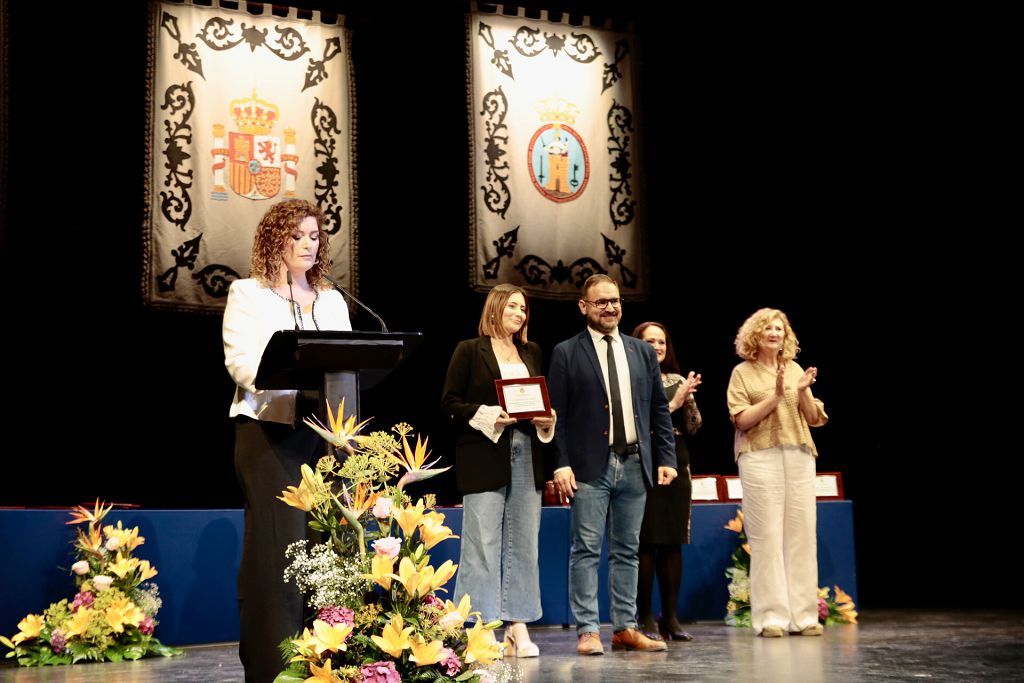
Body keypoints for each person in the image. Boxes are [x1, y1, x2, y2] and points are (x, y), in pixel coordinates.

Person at [222, 199, 352, 681]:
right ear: (274, 239)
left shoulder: (333, 299)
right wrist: (291, 371)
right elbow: (241, 364)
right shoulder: (248, 293)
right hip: (267, 432)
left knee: (327, 545)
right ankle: (274, 664)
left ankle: (326, 659)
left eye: (315, 237)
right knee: (280, 548)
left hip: (327, 433)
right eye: (297, 235)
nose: (307, 245)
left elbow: (349, 363)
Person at [548, 274, 677, 655]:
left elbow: (657, 409)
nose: (610, 307)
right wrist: (561, 464)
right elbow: (557, 414)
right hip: (589, 467)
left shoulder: (639, 351)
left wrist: (666, 457)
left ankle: (624, 627)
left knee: (627, 550)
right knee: (586, 549)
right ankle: (588, 630)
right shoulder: (566, 352)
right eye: (601, 301)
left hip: (636, 464)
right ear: (583, 306)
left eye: (615, 301)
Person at [441, 284, 555, 657]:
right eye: (513, 307)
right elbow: (450, 404)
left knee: (524, 543)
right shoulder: (470, 350)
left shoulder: (532, 351)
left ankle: (518, 626)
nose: (520, 314)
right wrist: (490, 415)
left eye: (524, 309)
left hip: (527, 452)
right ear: (495, 309)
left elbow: (541, 400)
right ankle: (481, 628)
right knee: (481, 543)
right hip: (486, 451)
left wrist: (546, 418)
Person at [726, 308, 828, 638]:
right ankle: (771, 617)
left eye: (779, 328)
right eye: (767, 327)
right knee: (766, 537)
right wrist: (776, 397)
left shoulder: (795, 368)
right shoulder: (742, 373)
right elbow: (741, 420)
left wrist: (800, 391)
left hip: (798, 453)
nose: (774, 332)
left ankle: (804, 616)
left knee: (801, 536)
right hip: (759, 457)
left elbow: (813, 418)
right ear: (755, 334)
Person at [631, 322, 702, 643]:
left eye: (661, 341)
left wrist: (687, 399)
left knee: (672, 542)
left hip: (676, 457)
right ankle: (643, 616)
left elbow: (694, 426)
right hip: (642, 458)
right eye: (650, 341)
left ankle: (670, 618)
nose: (657, 346)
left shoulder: (676, 379)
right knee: (645, 542)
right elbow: (637, 423)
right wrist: (672, 404)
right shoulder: (630, 379)